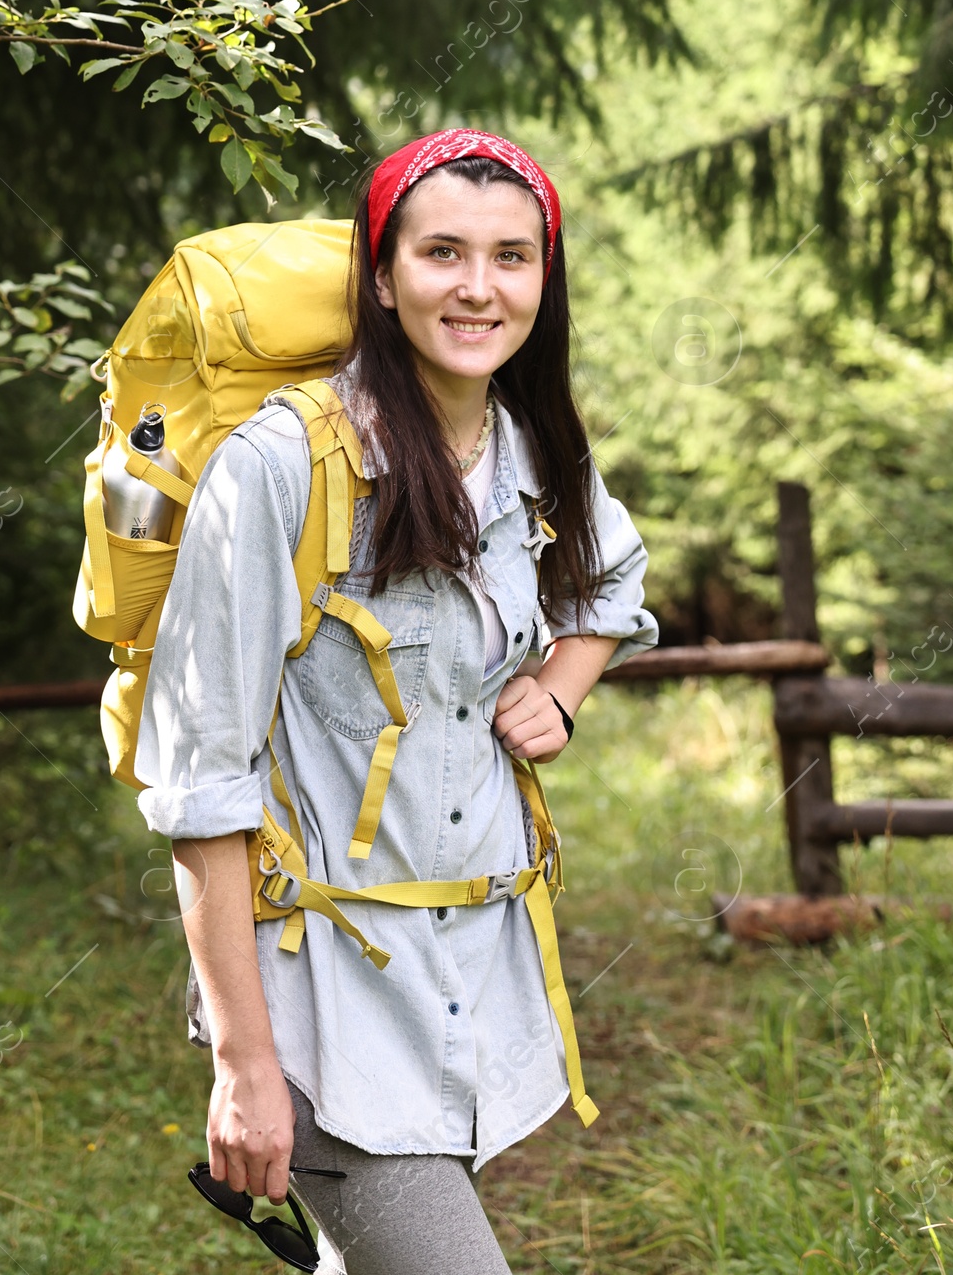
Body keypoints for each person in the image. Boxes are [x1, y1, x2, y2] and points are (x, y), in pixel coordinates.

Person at [134, 129, 657, 1275]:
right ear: (381, 273)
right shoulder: (282, 467)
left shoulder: (533, 449)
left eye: (512, 256)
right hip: (321, 1010)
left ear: (543, 278)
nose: (479, 286)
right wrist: (244, 1061)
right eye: (443, 252)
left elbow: (615, 580)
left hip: (467, 979)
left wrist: (561, 692)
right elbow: (200, 779)